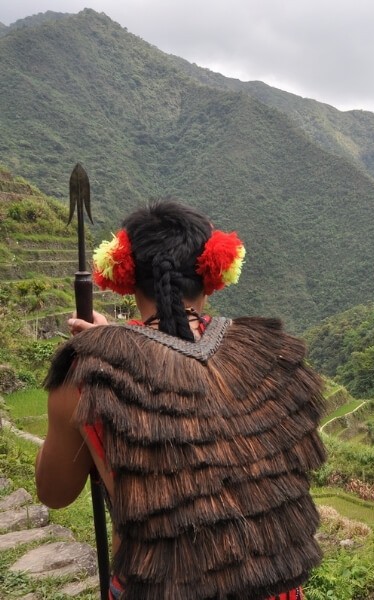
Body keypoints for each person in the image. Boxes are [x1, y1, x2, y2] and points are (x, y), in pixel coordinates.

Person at [35, 201, 326, 599]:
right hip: (275, 587)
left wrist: (100, 351)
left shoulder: (84, 376)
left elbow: (54, 493)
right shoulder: (270, 351)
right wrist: (113, 340)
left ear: (124, 273)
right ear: (214, 272)